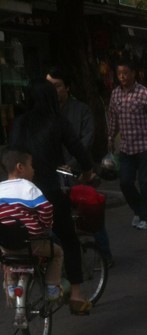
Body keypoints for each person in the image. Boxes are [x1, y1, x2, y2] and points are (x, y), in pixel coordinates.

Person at [9, 81, 95, 315]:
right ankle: (76, 295)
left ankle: (15, 281)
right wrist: (88, 170)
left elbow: (10, 154)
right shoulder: (57, 121)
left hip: (19, 194)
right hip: (49, 192)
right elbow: (78, 149)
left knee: (23, 238)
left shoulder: (19, 123)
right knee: (69, 239)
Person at [46, 66, 114, 267]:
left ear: (67, 87)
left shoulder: (81, 110)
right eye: (49, 86)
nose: (53, 90)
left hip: (78, 171)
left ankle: (104, 254)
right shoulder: (45, 113)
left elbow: (86, 140)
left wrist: (73, 164)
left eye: (57, 86)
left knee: (89, 212)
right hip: (53, 173)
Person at [0, 147, 63, 301]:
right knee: (57, 253)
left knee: (8, 257)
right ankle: (52, 287)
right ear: (20, 167)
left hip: (6, 246)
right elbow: (46, 208)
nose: (34, 170)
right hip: (33, 244)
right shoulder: (29, 188)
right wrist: (45, 225)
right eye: (31, 165)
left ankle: (10, 284)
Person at [107, 56, 147, 230]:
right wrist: (110, 138)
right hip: (126, 147)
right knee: (125, 182)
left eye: (125, 73)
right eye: (119, 73)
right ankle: (139, 209)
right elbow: (113, 118)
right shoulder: (115, 94)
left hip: (145, 146)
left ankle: (146, 218)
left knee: (145, 183)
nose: (122, 77)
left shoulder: (144, 93)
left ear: (133, 73)